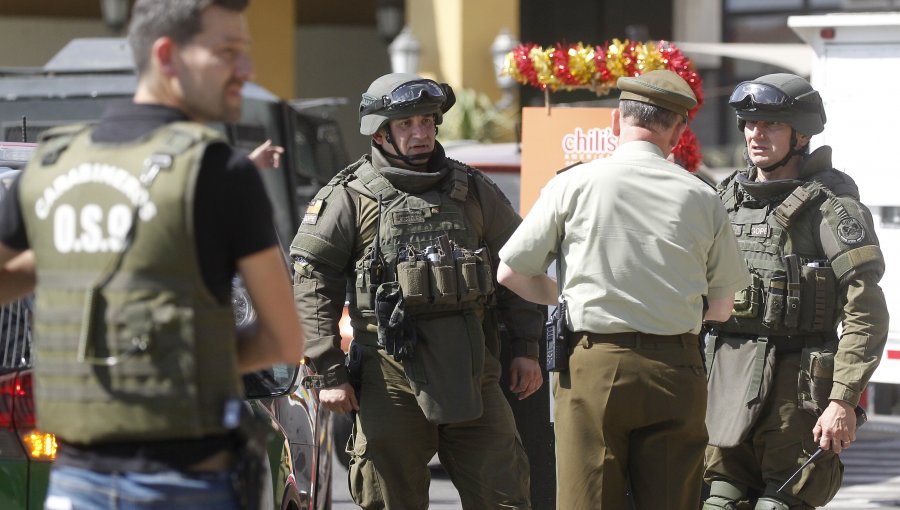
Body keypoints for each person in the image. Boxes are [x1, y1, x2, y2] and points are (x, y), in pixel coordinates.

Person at [0, 0, 304, 508]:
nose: (246, 70)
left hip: (75, 485)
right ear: (167, 56)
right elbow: (283, 337)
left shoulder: (52, 161)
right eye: (227, 52)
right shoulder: (219, 174)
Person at [497, 69, 749, 510]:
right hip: (677, 365)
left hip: (593, 362)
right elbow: (723, 308)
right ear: (677, 131)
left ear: (616, 121)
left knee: (588, 500)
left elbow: (510, 272)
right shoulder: (703, 196)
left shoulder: (571, 184)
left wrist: (566, 294)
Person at [290, 72, 543, 509]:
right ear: (381, 132)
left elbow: (517, 263)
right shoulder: (351, 197)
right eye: (407, 125)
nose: (420, 133)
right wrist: (328, 371)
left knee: (507, 497)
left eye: (427, 121)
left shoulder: (473, 190)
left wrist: (526, 346)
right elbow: (312, 282)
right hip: (389, 380)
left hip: (474, 374)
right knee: (389, 500)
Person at [701, 73, 889, 510]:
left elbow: (866, 314)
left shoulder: (830, 209)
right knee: (717, 500)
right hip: (726, 380)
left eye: (771, 125)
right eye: (749, 123)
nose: (755, 134)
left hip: (797, 390)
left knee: (782, 503)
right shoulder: (726, 198)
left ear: (801, 135)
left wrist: (842, 399)